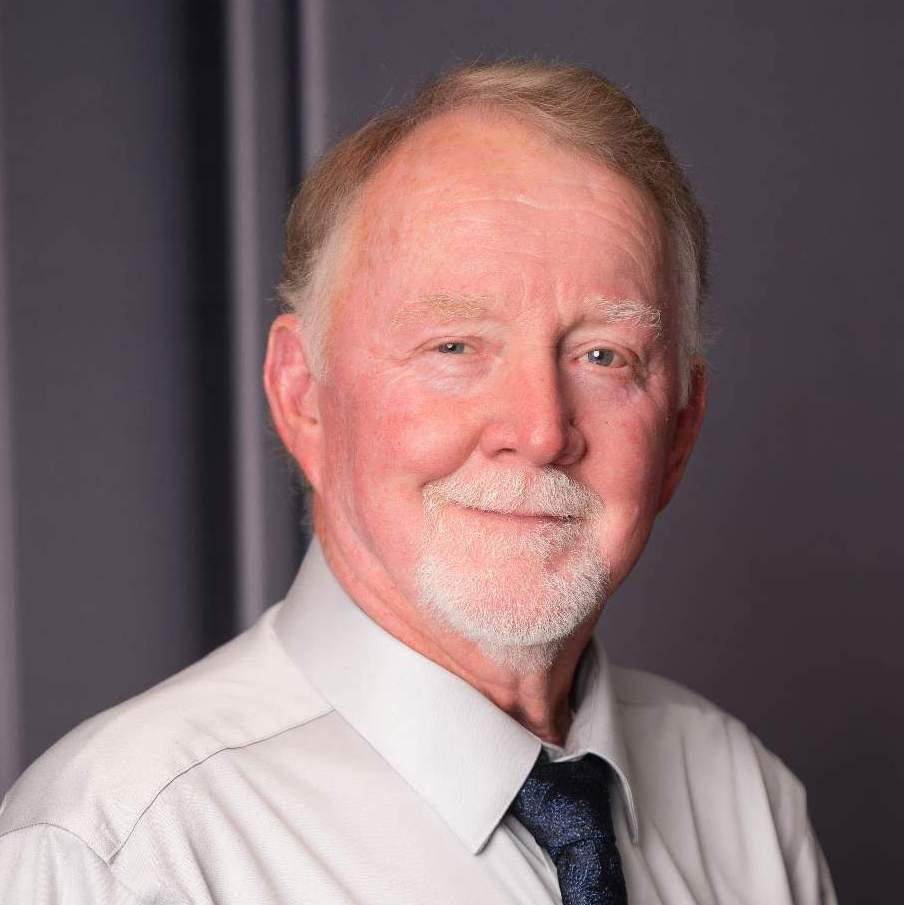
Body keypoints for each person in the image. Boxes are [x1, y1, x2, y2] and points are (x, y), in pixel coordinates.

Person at [0, 59, 836, 904]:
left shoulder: (745, 804)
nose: (540, 431)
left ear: (680, 431)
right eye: (455, 345)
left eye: (603, 355)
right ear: (303, 395)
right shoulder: (120, 856)